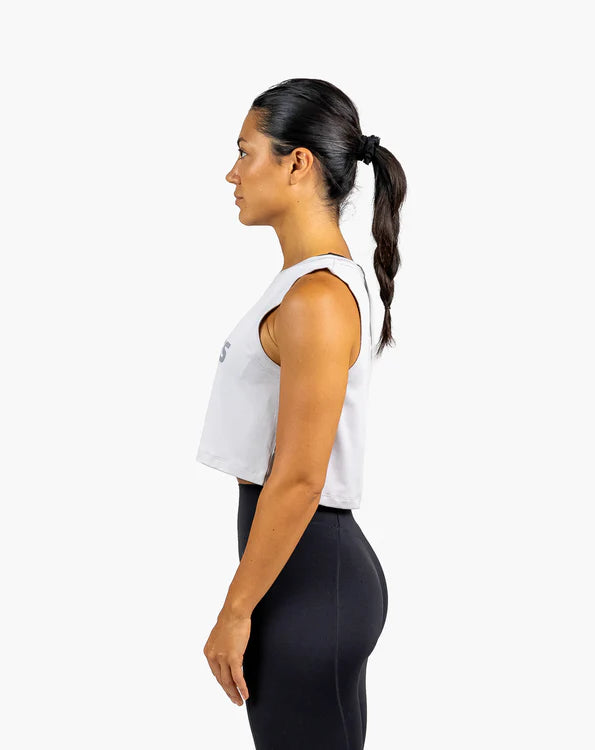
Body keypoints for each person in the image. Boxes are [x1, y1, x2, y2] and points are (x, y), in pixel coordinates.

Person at [197, 77, 407, 750]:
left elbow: (298, 479)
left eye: (246, 152)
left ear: (297, 164)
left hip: (311, 581)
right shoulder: (304, 286)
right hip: (302, 576)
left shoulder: (317, 297)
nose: (232, 173)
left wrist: (235, 610)